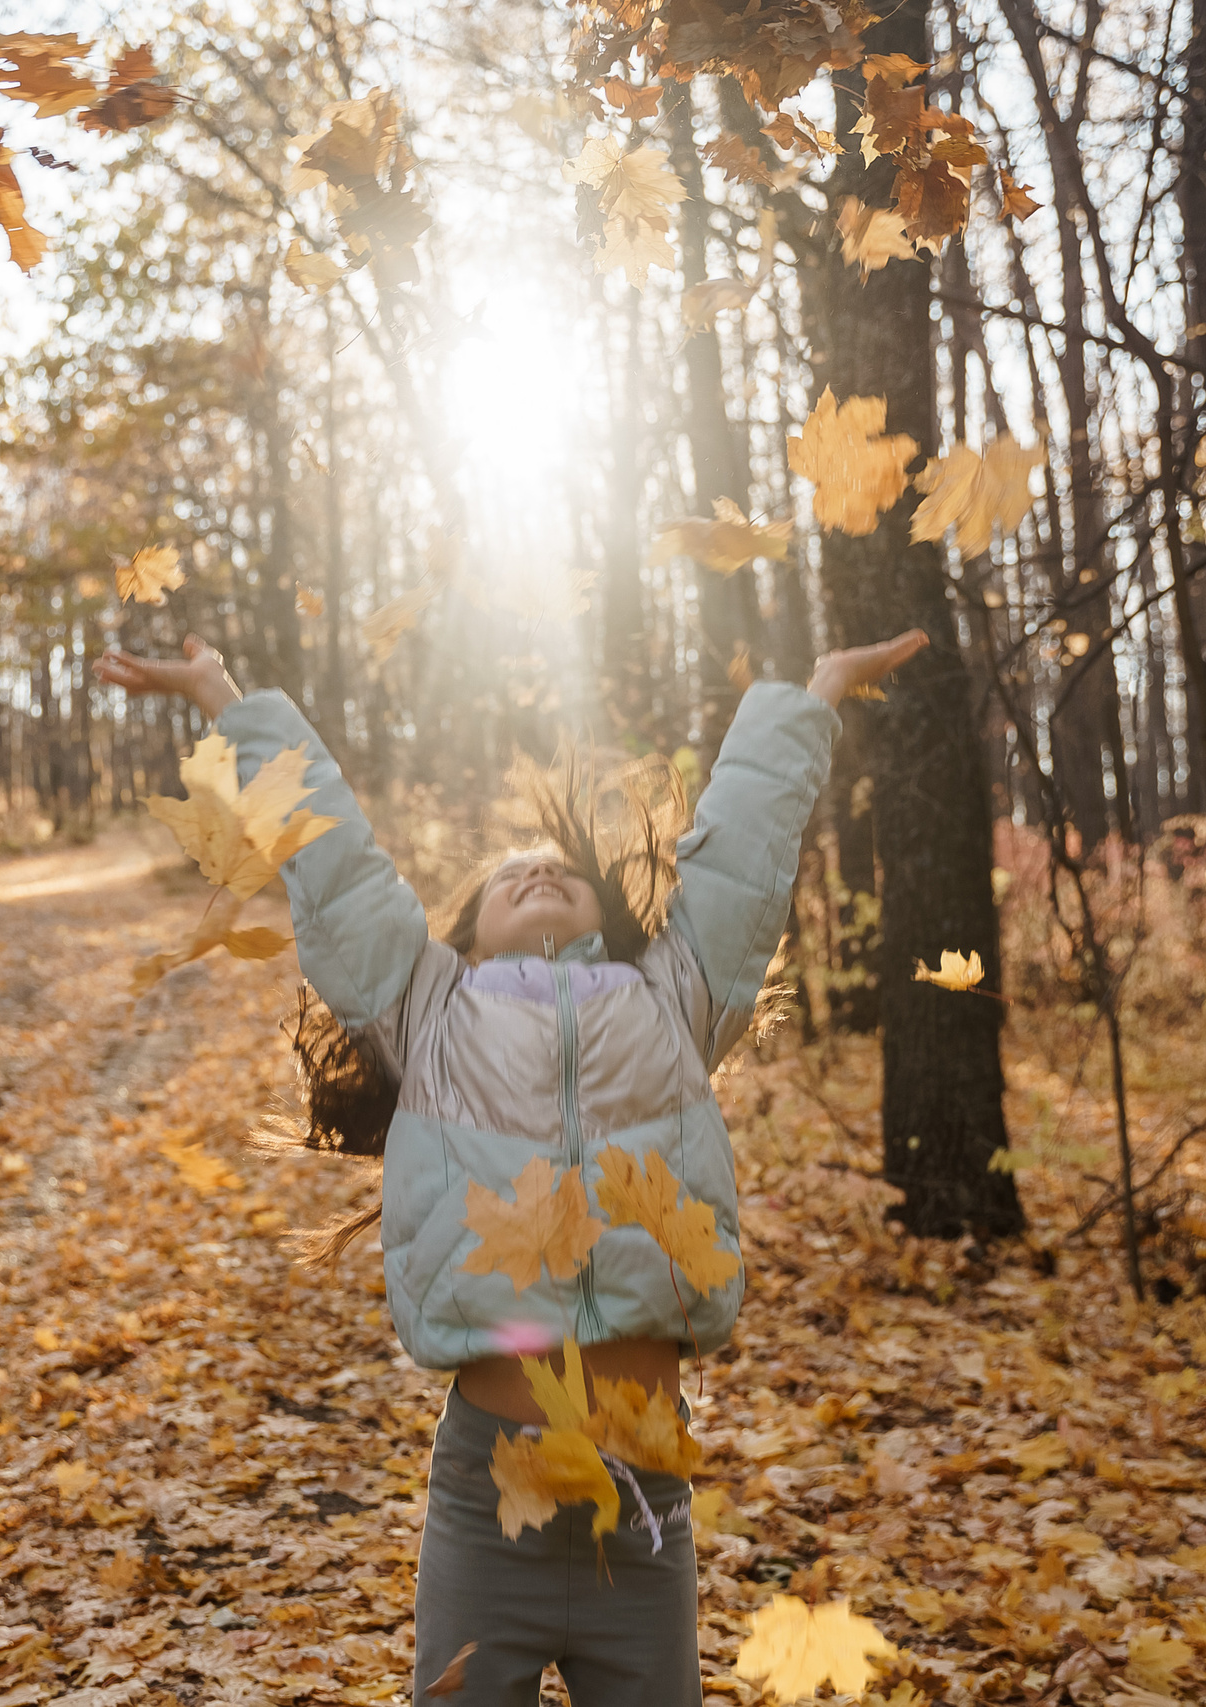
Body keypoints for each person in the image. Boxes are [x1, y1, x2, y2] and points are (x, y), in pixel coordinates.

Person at [95, 629, 927, 1707]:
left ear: (608, 917)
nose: (538, 869)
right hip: (487, 1501)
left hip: (644, 1504)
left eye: (562, 870)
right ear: (469, 934)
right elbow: (336, 863)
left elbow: (744, 861)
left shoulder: (675, 997)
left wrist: (814, 694)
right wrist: (224, 695)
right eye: (509, 875)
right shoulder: (428, 1006)